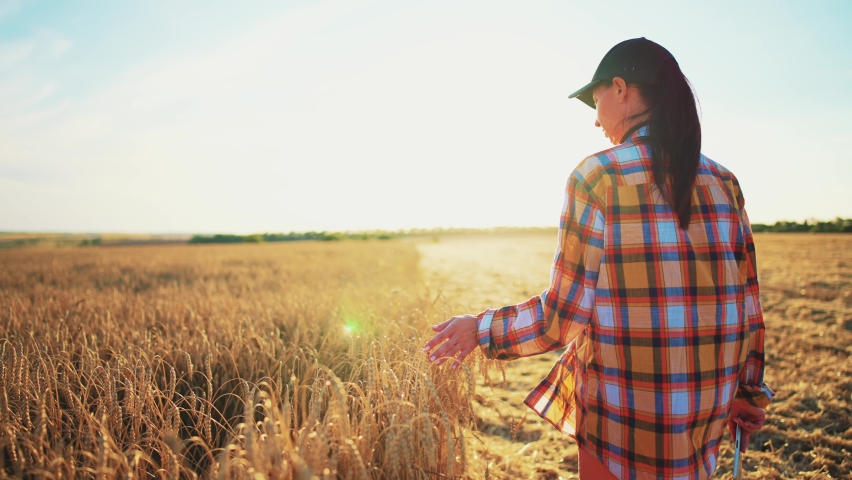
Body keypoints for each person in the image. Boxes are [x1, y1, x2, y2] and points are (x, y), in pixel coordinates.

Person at [422, 37, 773, 479]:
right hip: (704, 421)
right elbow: (748, 305)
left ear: (622, 89)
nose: (595, 119)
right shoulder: (725, 181)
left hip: (623, 424)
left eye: (596, 99)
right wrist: (748, 391)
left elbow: (562, 319)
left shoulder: (598, 176)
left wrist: (481, 329)